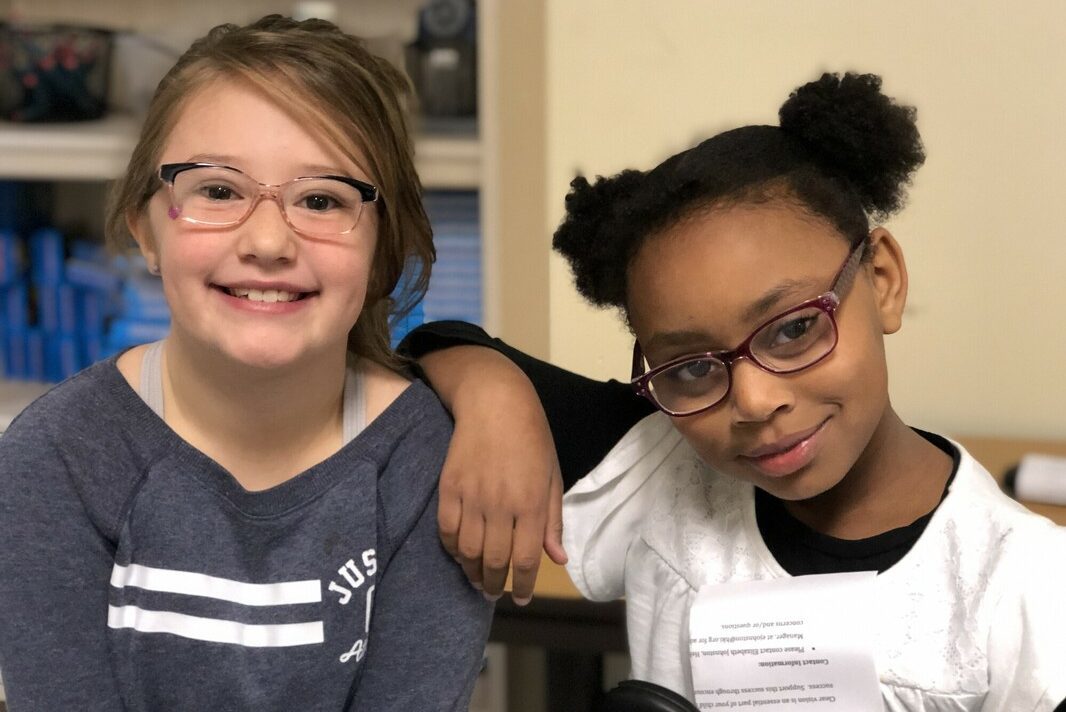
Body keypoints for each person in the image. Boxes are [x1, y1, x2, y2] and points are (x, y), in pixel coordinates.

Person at [400, 72, 1066, 709]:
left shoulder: (1027, 589)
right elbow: (433, 349)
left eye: (795, 330)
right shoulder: (658, 474)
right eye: (692, 368)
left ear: (884, 279)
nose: (752, 401)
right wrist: (494, 401)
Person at [0, 15, 492, 710]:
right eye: (218, 190)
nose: (268, 240)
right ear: (145, 229)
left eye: (321, 199)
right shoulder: (57, 457)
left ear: (385, 251)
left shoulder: (422, 465)